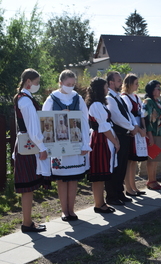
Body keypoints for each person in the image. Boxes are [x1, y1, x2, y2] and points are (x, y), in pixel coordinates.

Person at [42, 70, 91, 221]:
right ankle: (64, 210)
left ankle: (72, 209)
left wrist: (85, 144)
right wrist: (59, 115)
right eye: (68, 84)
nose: (71, 87)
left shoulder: (78, 98)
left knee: (74, 178)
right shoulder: (52, 99)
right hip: (59, 145)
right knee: (62, 179)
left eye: (73, 84)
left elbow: (84, 120)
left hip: (75, 143)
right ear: (60, 83)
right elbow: (44, 121)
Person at [13, 68, 50, 233]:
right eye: (36, 82)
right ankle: (27, 223)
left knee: (28, 187)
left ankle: (28, 221)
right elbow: (33, 128)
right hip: (29, 144)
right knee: (27, 187)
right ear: (28, 81)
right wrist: (42, 147)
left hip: (27, 143)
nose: (37, 85)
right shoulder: (25, 101)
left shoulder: (24, 98)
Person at [85, 77, 119, 214]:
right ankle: (99, 204)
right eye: (105, 87)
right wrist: (115, 141)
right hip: (100, 140)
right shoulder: (96, 105)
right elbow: (103, 127)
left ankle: (101, 202)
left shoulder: (100, 104)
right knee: (99, 174)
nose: (107, 89)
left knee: (102, 174)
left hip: (105, 139)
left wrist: (115, 139)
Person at [105, 71, 140, 206]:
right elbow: (117, 117)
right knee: (116, 166)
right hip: (118, 136)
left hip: (126, 135)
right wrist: (132, 128)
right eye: (119, 80)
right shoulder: (109, 98)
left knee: (122, 166)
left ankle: (120, 192)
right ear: (111, 83)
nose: (121, 83)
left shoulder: (118, 97)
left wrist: (134, 125)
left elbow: (127, 114)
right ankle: (112, 196)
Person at [121, 73, 148, 196]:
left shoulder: (136, 97)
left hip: (139, 131)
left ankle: (134, 186)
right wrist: (137, 129)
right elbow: (129, 115)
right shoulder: (125, 97)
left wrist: (144, 128)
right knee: (129, 161)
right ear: (130, 84)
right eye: (136, 83)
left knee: (134, 162)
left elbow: (141, 114)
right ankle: (128, 188)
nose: (138, 86)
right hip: (132, 131)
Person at [142, 80, 161, 190]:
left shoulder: (158, 102)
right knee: (152, 158)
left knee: (157, 159)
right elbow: (147, 120)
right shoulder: (148, 102)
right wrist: (150, 135)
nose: (160, 90)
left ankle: (154, 180)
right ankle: (150, 181)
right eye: (158, 88)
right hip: (153, 134)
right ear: (152, 90)